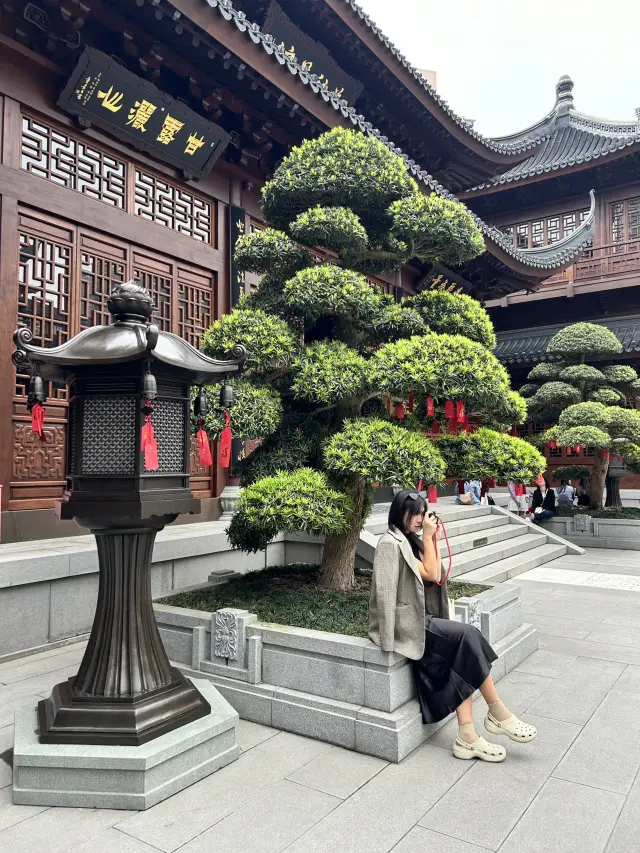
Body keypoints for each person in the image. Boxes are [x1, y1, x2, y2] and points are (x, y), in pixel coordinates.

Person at [369, 489, 537, 763]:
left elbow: (434, 576)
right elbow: (386, 591)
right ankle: (497, 711)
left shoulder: (411, 540)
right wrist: (387, 639)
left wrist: (430, 538)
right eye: (414, 514)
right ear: (399, 513)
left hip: (425, 618)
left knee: (462, 653)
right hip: (408, 624)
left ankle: (467, 736)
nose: (420, 519)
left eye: (423, 514)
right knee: (468, 636)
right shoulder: (390, 543)